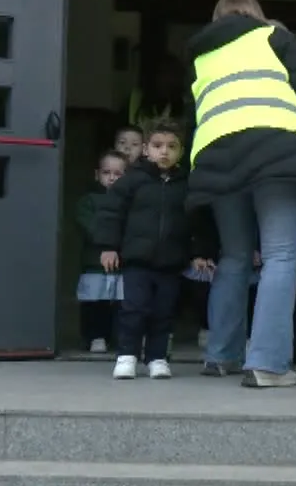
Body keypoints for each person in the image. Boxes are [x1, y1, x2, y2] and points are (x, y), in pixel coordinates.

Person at [186, 0, 296, 389]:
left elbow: (196, 112)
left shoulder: (201, 55)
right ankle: (268, 363)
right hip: (278, 153)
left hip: (217, 157)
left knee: (235, 256)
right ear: (256, 14)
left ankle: (222, 354)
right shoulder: (272, 37)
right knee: (280, 256)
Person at [93, 125, 215, 381]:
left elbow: (198, 220)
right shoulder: (132, 180)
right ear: (146, 150)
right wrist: (109, 246)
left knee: (164, 311)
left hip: (171, 262)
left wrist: (199, 252)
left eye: (172, 147)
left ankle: (157, 358)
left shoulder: (186, 184)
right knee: (134, 308)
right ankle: (127, 356)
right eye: (158, 146)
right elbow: (110, 213)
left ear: (181, 152)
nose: (164, 152)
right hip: (137, 260)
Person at [73, 150, 128, 353]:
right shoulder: (89, 200)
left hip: (122, 264)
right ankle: (94, 337)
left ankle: (117, 338)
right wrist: (112, 238)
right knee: (94, 303)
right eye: (107, 172)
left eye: (118, 173)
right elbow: (89, 226)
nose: (112, 177)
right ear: (97, 175)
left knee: (121, 304)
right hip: (94, 264)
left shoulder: (129, 201)